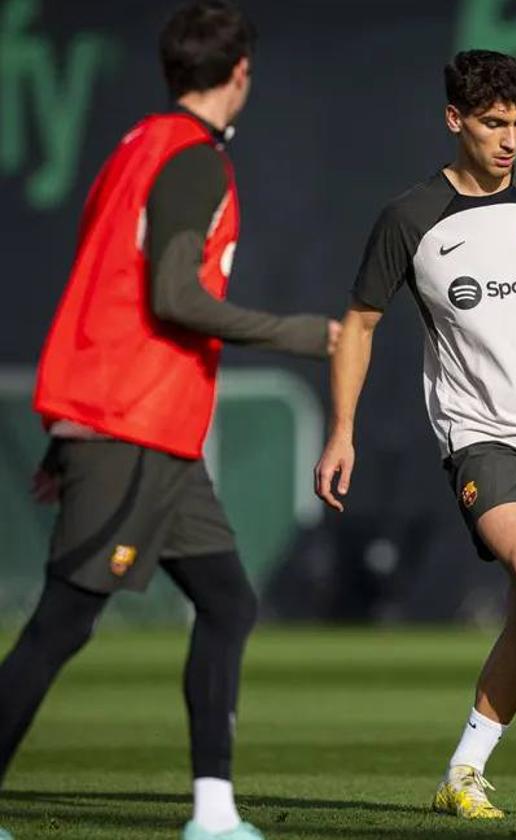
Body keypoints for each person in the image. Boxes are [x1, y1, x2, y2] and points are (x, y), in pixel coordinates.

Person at [0, 3, 339, 839]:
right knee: (61, 624)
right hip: (133, 424)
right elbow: (173, 297)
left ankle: (214, 816)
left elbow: (101, 292)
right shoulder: (193, 160)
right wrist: (303, 334)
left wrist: (64, 431)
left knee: (227, 603)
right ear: (240, 75)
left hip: (150, 433)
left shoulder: (131, 150)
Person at [314, 49, 516, 819]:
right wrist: (343, 432)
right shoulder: (411, 218)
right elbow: (359, 326)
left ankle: (462, 771)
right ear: (454, 119)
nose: (510, 140)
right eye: (495, 123)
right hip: (478, 434)